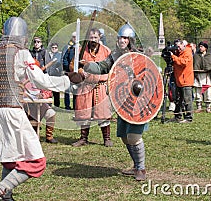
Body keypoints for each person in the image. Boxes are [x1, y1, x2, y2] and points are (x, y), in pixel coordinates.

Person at [0, 17, 71, 201]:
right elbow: (41, 81)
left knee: (11, 156)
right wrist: (68, 81)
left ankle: (6, 197)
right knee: (36, 161)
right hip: (11, 109)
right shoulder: (21, 53)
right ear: (22, 36)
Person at [78, 23, 148, 181]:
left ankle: (141, 169)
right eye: (120, 37)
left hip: (138, 101)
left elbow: (147, 76)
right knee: (124, 136)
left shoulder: (139, 55)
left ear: (130, 40)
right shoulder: (115, 55)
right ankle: (136, 165)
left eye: (125, 38)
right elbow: (103, 67)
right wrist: (87, 65)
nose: (122, 40)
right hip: (122, 100)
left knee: (133, 137)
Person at [72, 28, 113, 147]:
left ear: (100, 37)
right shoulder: (81, 50)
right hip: (85, 86)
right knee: (84, 113)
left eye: (95, 37)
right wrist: (80, 71)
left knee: (103, 113)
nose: (93, 40)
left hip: (100, 86)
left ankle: (107, 138)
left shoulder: (106, 51)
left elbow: (111, 66)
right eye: (91, 37)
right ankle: (83, 138)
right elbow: (73, 65)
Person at [23, 75, 58, 144]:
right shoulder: (21, 78)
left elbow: (49, 92)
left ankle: (49, 136)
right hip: (25, 106)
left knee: (51, 113)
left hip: (41, 105)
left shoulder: (41, 78)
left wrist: (42, 95)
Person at [169, 39, 194, 123]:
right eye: (177, 47)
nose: (178, 49)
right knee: (178, 99)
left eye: (179, 47)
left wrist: (173, 56)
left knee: (187, 100)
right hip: (178, 80)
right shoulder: (179, 53)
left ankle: (189, 118)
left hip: (186, 80)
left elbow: (183, 63)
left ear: (183, 45)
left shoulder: (187, 52)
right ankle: (178, 116)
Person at [193, 41, 211, 113]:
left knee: (208, 92)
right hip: (198, 76)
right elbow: (195, 64)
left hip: (207, 76)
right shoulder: (196, 55)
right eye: (199, 46)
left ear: (205, 48)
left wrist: (208, 68)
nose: (200, 48)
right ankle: (199, 107)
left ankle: (208, 107)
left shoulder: (209, 55)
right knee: (198, 92)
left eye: (202, 46)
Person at [44, 42, 63, 107]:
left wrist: (59, 70)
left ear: (57, 48)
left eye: (55, 48)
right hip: (48, 75)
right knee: (48, 91)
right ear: (51, 48)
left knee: (56, 92)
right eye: (53, 47)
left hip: (56, 75)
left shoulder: (60, 55)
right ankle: (48, 105)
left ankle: (57, 105)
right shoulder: (48, 54)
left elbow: (61, 64)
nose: (54, 49)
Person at [62, 32, 77, 110]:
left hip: (77, 72)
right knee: (67, 89)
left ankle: (75, 106)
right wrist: (68, 68)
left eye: (76, 37)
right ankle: (67, 106)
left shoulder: (80, 47)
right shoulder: (68, 48)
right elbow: (64, 59)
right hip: (68, 71)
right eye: (73, 37)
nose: (75, 38)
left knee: (76, 89)